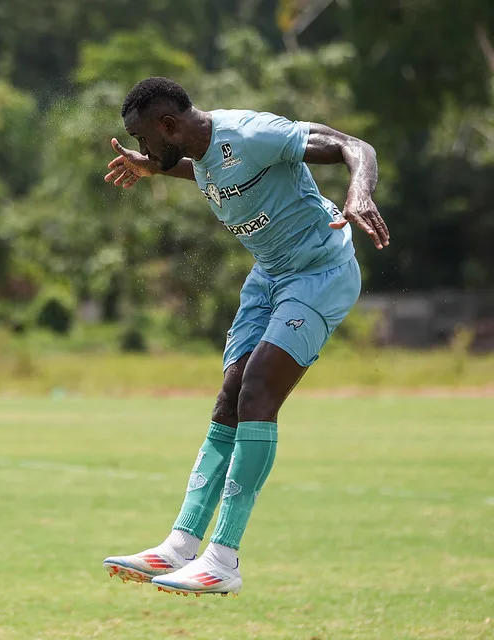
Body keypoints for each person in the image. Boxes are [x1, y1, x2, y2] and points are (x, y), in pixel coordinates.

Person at [101, 76, 389, 597]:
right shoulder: (203, 152)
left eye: (146, 140)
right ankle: (181, 546)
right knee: (230, 397)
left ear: (168, 125)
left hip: (319, 273)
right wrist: (158, 168)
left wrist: (359, 189)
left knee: (257, 392)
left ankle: (223, 558)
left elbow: (355, 146)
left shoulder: (251, 132)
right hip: (269, 275)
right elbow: (217, 173)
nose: (144, 150)